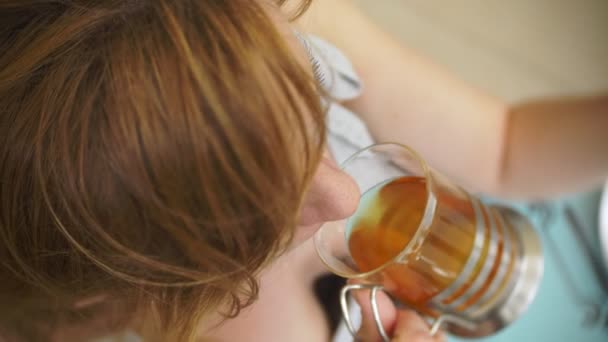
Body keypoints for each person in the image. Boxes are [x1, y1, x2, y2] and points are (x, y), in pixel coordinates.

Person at [0, 1, 605, 341]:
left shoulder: (245, 28)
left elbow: (500, 147)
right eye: (259, 221)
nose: (348, 195)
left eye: (313, 100)